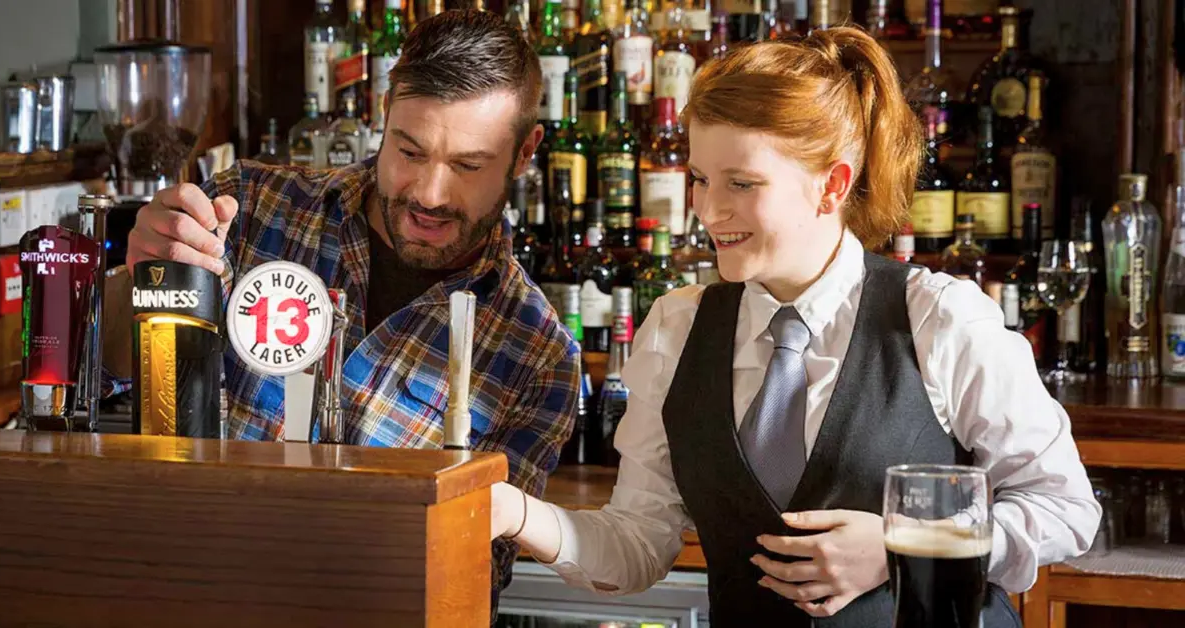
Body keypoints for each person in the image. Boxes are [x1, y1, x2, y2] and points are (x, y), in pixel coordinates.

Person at [490, 28, 1101, 626]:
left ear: (831, 186)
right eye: (701, 179)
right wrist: (513, 512)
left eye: (742, 183)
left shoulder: (938, 317)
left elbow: (1066, 510)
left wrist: (901, 543)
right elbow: (636, 545)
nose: (707, 209)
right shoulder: (676, 329)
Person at [100, 10, 579, 618]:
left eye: (467, 166)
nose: (429, 193)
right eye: (410, 150)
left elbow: (469, 579)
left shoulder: (537, 357)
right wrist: (146, 274)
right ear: (385, 111)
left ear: (525, 153)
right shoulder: (251, 208)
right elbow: (111, 360)